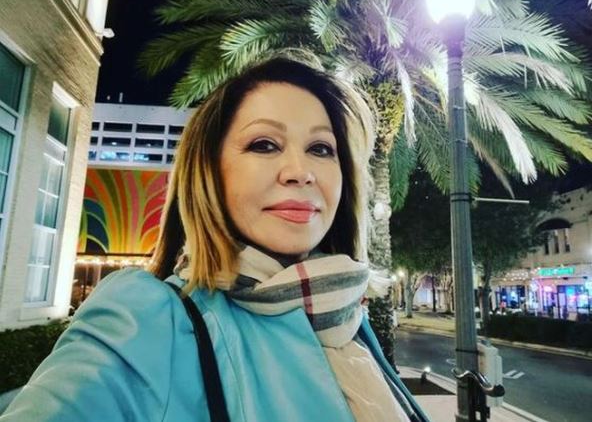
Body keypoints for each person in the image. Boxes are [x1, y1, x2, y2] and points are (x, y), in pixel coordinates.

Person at [1, 53, 429, 422]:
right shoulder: (147, 319)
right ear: (210, 171)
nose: (300, 172)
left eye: (321, 149)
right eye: (264, 144)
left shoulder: (346, 318)